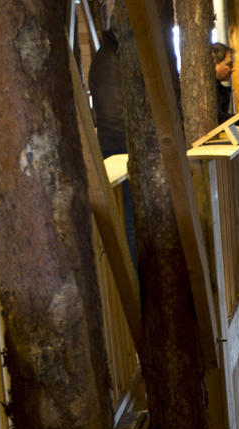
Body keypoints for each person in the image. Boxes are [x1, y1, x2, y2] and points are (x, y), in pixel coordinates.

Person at [88, 30, 138, 269]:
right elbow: (114, 117)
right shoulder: (109, 61)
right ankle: (134, 279)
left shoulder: (113, 56)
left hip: (124, 151)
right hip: (121, 153)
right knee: (128, 223)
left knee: (132, 223)